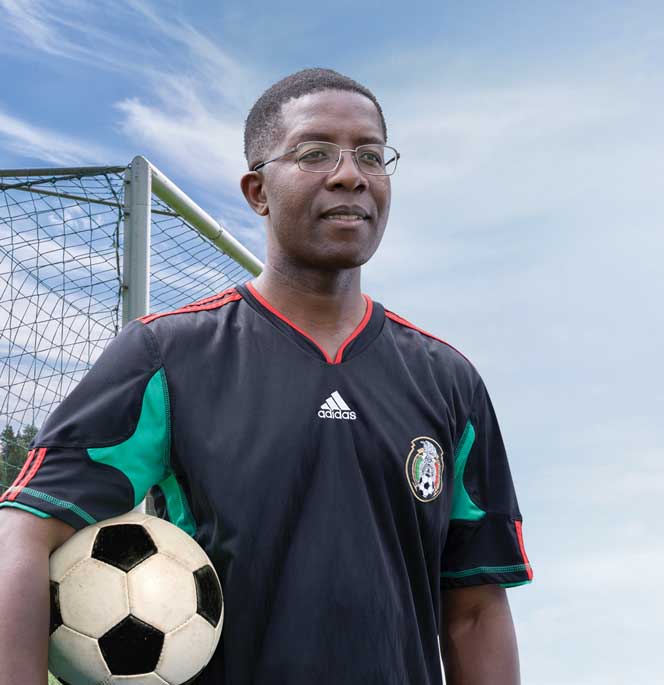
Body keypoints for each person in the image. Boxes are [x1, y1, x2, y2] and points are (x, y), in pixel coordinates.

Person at [0, 67, 531, 685]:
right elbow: (23, 532)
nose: (350, 174)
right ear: (258, 191)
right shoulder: (166, 354)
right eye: (315, 153)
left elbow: (474, 607)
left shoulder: (448, 381)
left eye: (371, 154)